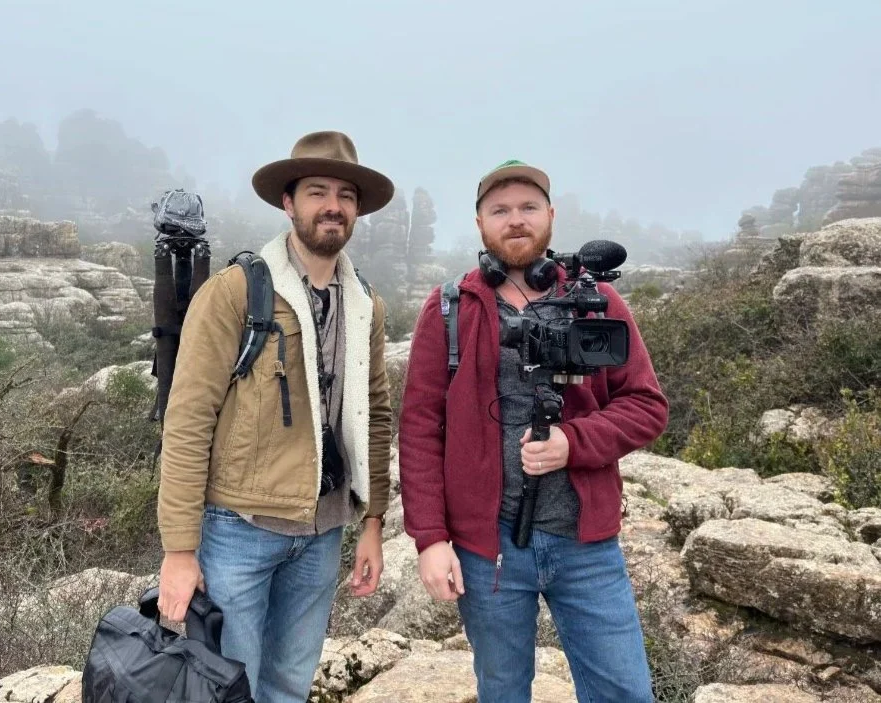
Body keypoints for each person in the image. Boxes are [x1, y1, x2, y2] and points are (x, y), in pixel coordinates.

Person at [398, 159, 668, 703]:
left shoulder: (596, 302)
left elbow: (646, 406)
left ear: (550, 215)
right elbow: (421, 427)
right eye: (500, 210)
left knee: (625, 692)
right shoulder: (449, 308)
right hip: (488, 550)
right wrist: (430, 539)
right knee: (502, 691)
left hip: (586, 546)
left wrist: (574, 443)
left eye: (528, 207)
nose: (515, 219)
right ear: (480, 223)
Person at [156, 131, 394, 703]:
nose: (332, 206)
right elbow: (188, 421)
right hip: (239, 529)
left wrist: (372, 522)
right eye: (317, 192)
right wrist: (179, 551)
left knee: (289, 685)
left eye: (345, 195)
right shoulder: (236, 292)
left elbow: (376, 415)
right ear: (288, 202)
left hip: (323, 532)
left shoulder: (365, 303)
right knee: (229, 688)